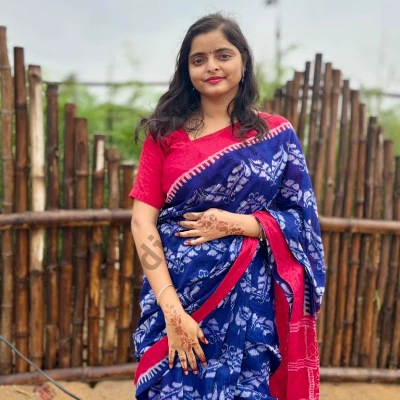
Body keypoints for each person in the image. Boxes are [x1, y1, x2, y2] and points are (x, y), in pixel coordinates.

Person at [130, 13, 325, 400]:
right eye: (198, 59)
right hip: (177, 295)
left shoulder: (276, 135)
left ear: (244, 61)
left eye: (223, 55)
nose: (211, 67)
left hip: (248, 304)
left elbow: (302, 222)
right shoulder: (164, 134)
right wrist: (173, 312)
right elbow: (142, 222)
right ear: (187, 71)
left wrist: (236, 223)